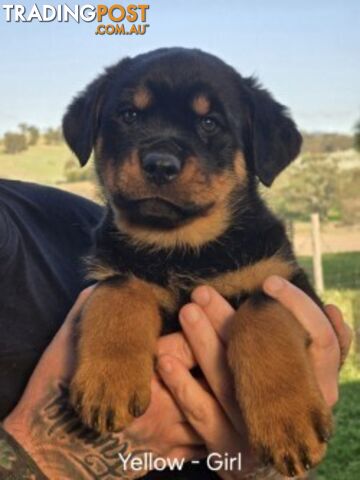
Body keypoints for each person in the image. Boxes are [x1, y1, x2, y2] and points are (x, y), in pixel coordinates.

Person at [0, 179, 352, 479]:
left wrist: (265, 461)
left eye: (211, 125)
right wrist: (34, 456)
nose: (163, 158)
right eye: (129, 117)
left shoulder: (71, 219)